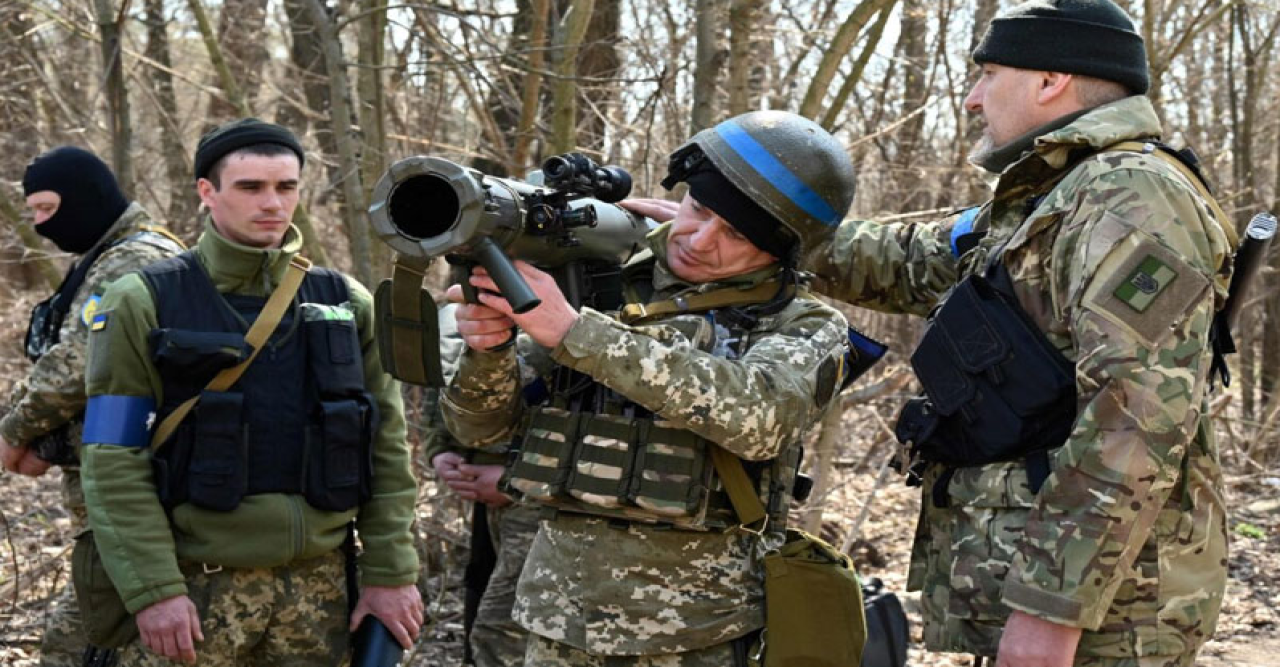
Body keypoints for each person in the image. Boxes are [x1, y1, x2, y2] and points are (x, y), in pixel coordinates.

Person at [805, 2, 1233, 666]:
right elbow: (912, 262)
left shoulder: (1132, 196)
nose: (974, 100)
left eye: (989, 73)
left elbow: (1137, 417)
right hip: (1038, 598)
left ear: (1051, 77)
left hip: (1104, 627)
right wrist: (752, 225)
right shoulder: (1055, 196)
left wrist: (1050, 612)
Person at [441, 110, 858, 665]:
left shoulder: (801, 323)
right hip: (557, 621)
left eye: (735, 234)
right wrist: (488, 352)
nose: (701, 239)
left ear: (780, 250)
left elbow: (759, 416)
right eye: (699, 209)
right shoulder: (603, 282)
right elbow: (481, 427)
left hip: (697, 635)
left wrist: (573, 331)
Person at [79, 118, 423, 665]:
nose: (273, 204)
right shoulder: (140, 301)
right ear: (207, 192)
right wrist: (154, 589)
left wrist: (391, 572)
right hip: (195, 590)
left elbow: (385, 449)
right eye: (251, 187)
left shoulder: (345, 301)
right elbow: (112, 458)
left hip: (322, 593)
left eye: (286, 187)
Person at [2, 146, 184, 666]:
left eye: (46, 209)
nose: (39, 227)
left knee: (74, 647)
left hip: (134, 494)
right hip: (110, 490)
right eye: (32, 211)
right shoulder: (108, 256)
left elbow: (78, 362)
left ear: (83, 198)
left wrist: (15, 431)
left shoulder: (136, 258)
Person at [424, 303, 540, 667]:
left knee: (502, 635)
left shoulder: (585, 285)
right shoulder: (473, 296)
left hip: (547, 507)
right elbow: (453, 378)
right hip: (490, 501)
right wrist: (440, 450)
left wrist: (518, 479)